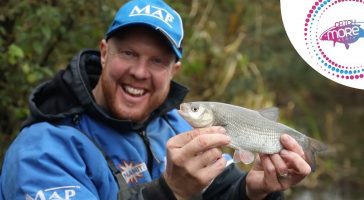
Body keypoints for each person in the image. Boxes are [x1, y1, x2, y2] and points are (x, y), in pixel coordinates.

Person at [0, 0, 311, 199]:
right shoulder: (42, 150)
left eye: (157, 61)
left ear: (174, 70)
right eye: (128, 53)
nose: (139, 71)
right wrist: (169, 192)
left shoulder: (176, 125)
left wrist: (251, 191)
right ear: (105, 52)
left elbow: (221, 189)